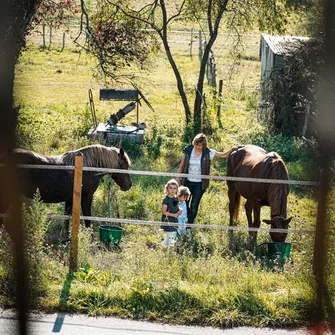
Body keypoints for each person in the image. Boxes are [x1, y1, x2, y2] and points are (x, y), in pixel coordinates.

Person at [178, 133, 235, 224]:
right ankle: (183, 220)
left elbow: (223, 155)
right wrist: (179, 182)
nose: (198, 147)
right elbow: (181, 167)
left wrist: (233, 149)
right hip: (187, 182)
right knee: (184, 203)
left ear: (204, 145)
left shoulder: (208, 152)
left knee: (194, 205)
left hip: (200, 184)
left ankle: (189, 225)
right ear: (194, 143)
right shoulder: (188, 150)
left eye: (200, 145)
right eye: (196, 145)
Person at [161, 178, 182, 247]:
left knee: (169, 235)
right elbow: (164, 212)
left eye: (174, 188)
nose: (172, 190)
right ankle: (171, 251)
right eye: (171, 188)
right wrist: (173, 215)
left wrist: (180, 209)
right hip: (168, 220)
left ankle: (164, 247)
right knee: (171, 236)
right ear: (167, 189)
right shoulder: (166, 200)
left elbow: (176, 206)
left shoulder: (176, 198)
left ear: (177, 189)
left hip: (174, 220)